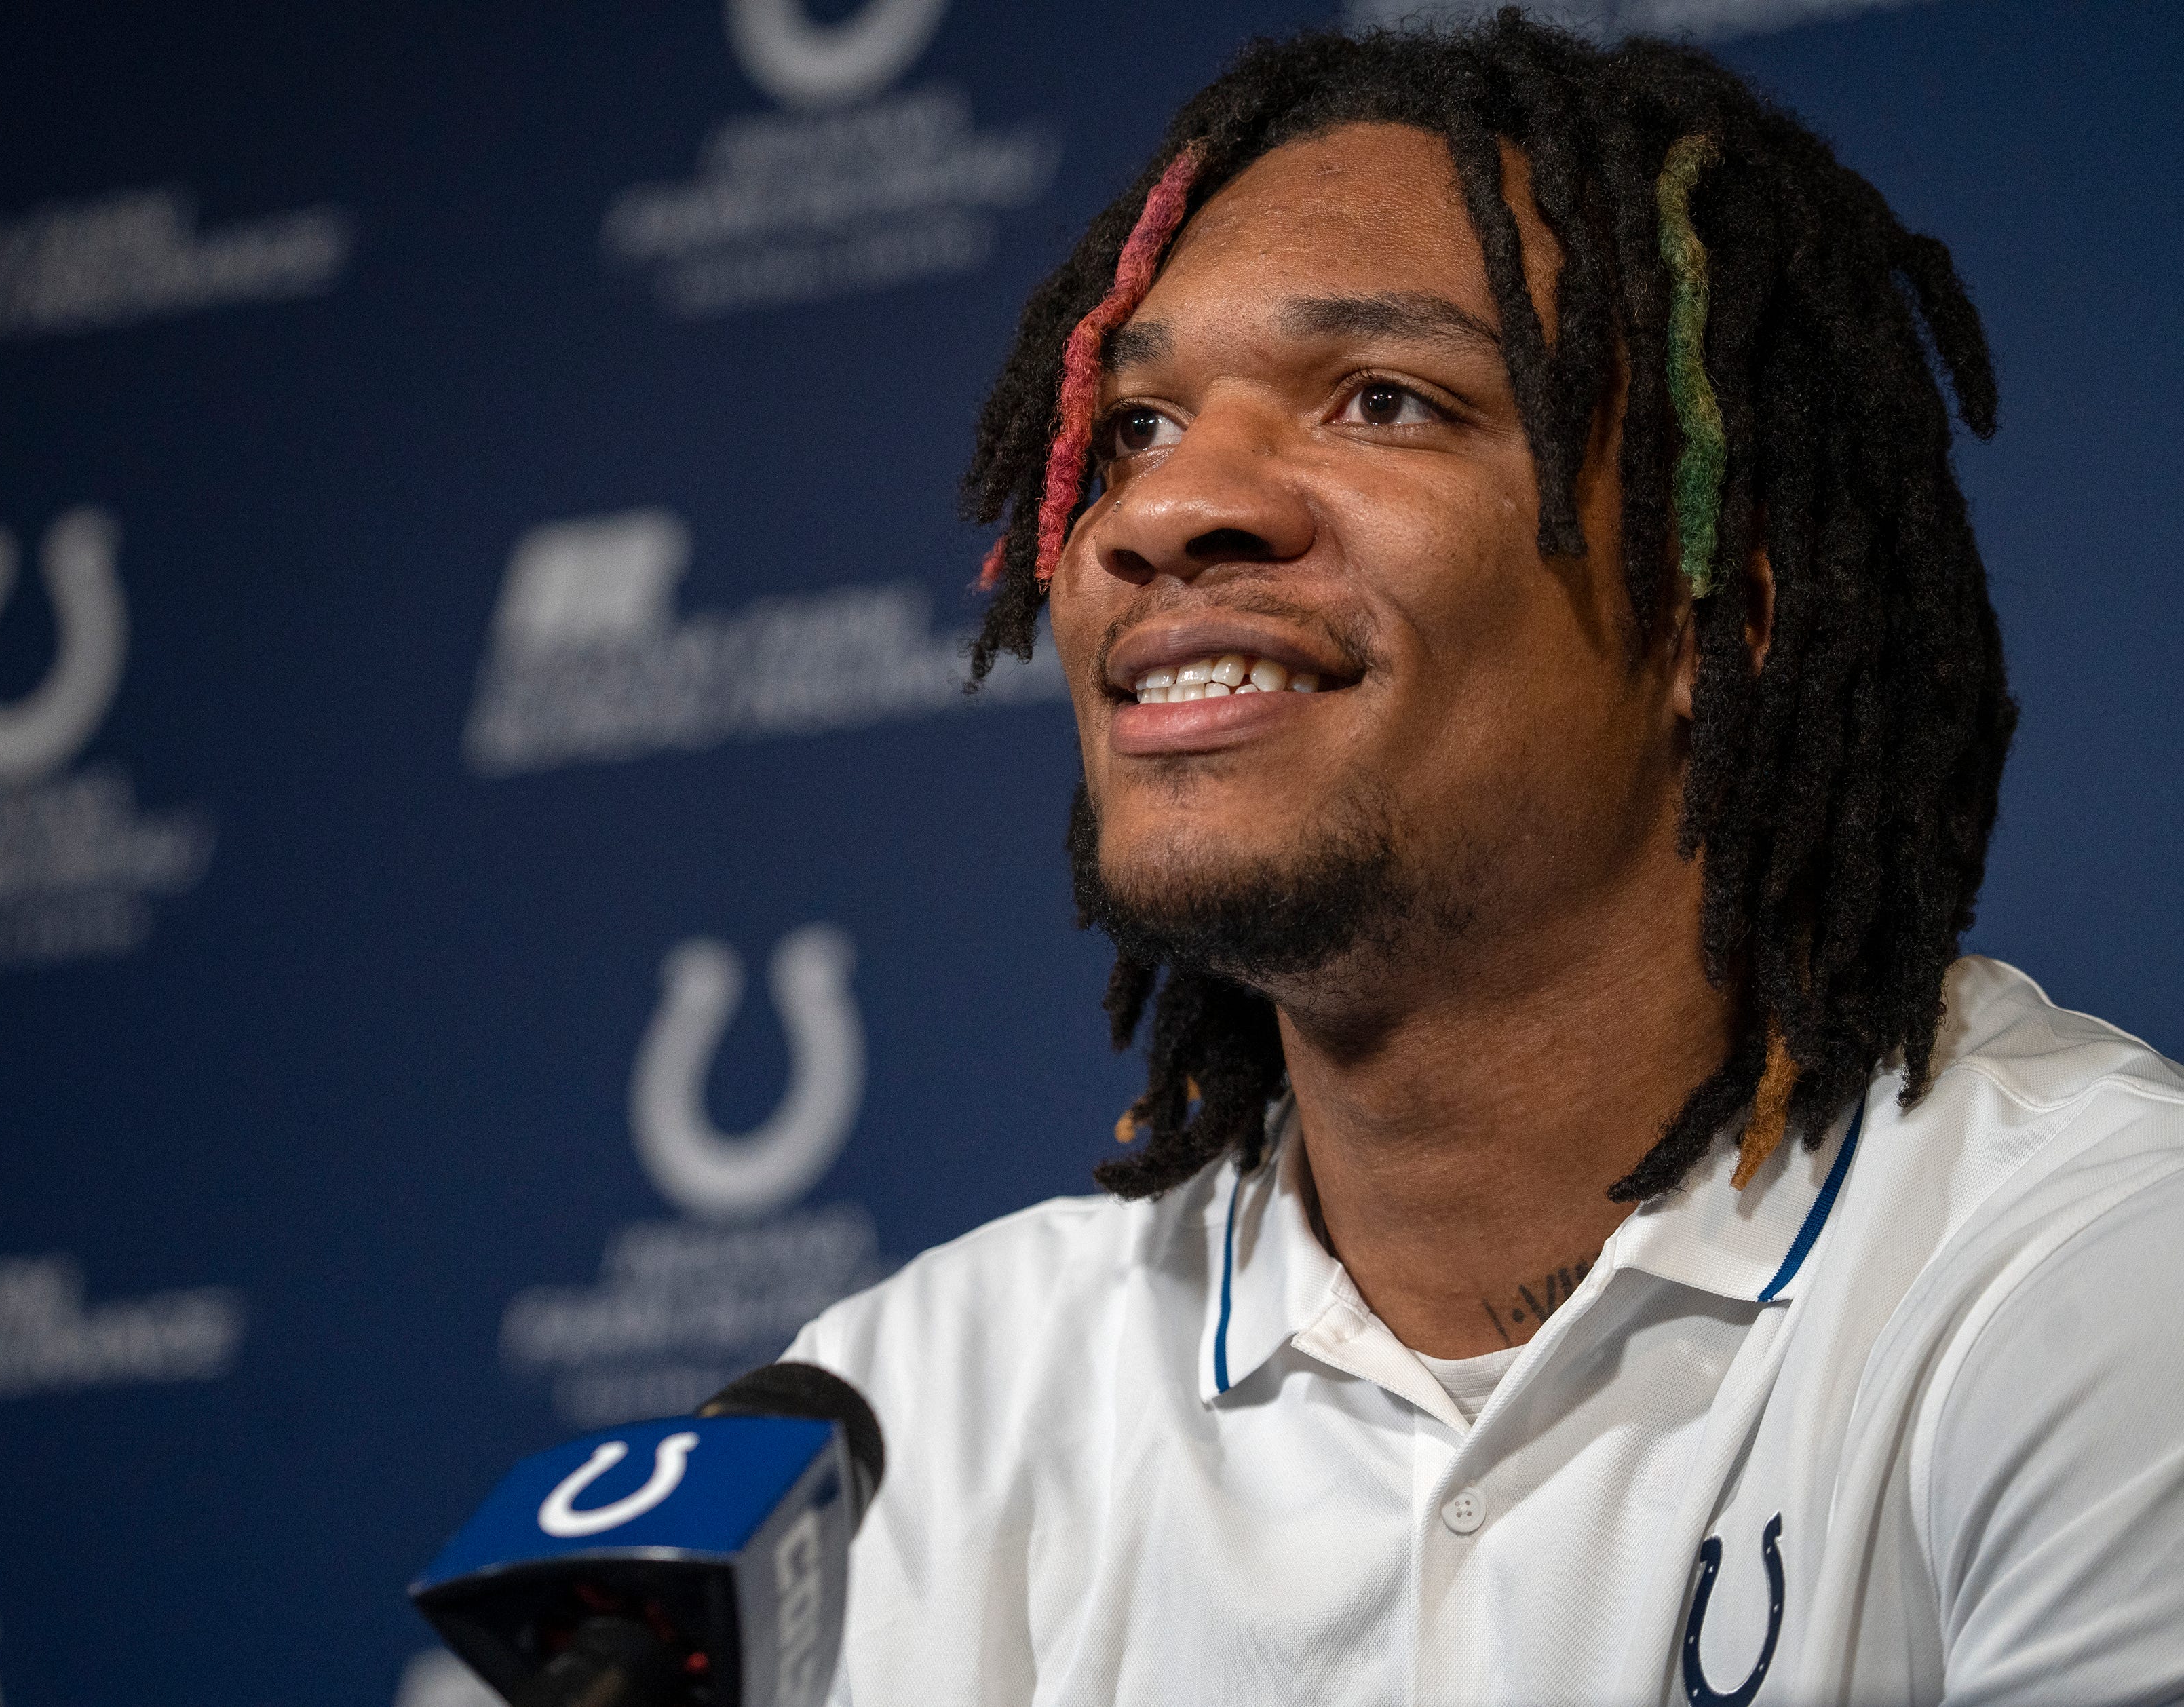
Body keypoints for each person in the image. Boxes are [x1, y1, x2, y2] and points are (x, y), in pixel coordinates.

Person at [788, 12, 2184, 1704]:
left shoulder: (2100, 1280)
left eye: (1382, 400)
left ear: (1715, 624)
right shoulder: (897, 1424)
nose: (1163, 511)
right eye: (1142, 425)